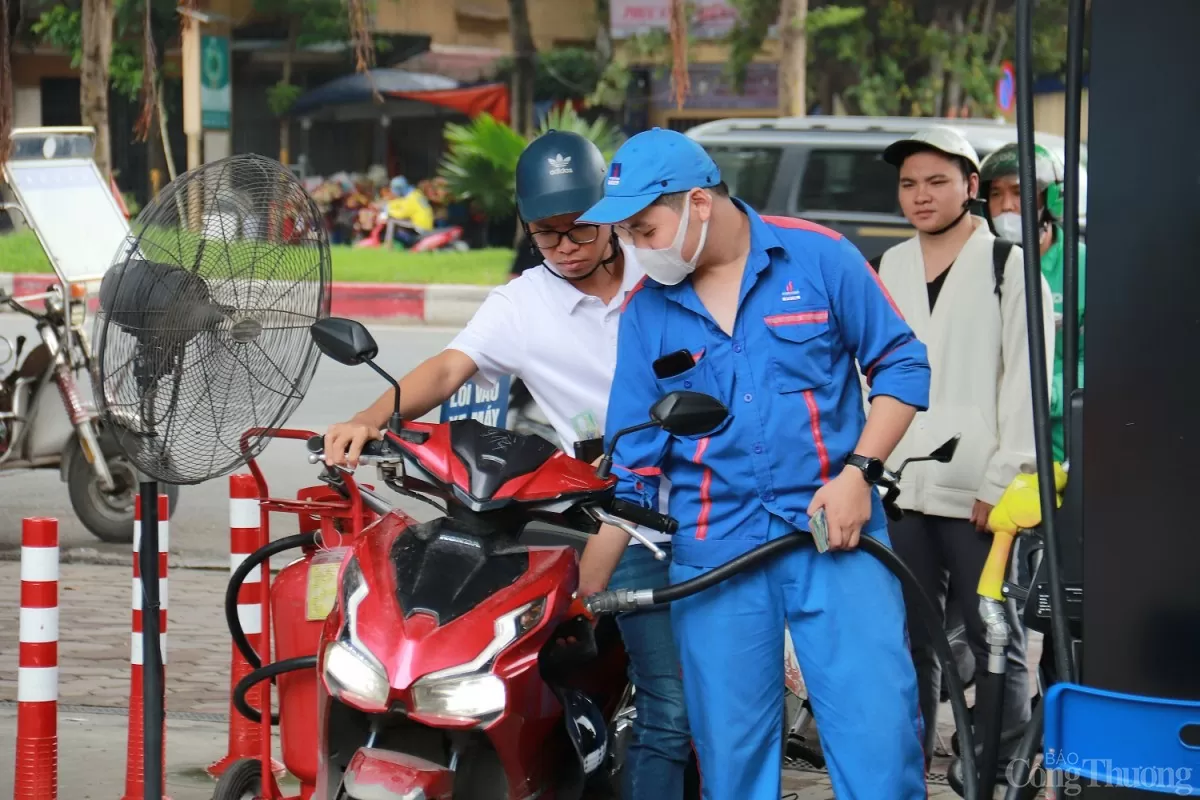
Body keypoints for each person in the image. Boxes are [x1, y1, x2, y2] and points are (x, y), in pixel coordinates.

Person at [322, 130, 694, 800]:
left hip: (706, 499)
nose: (566, 247)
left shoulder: (660, 272)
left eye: (579, 229)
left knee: (707, 700)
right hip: (620, 511)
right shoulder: (524, 303)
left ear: (610, 214)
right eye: (546, 234)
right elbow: (447, 368)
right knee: (664, 699)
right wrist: (367, 420)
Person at [577, 127, 933, 798]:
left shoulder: (819, 258)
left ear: (698, 204)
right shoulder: (646, 314)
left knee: (880, 743)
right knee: (732, 761)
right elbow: (632, 466)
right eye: (622, 234)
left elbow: (902, 363)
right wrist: (584, 593)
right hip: (717, 555)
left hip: (838, 536)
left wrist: (861, 472)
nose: (632, 248)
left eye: (643, 228)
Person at [872, 126, 1055, 769]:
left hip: (979, 487)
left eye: (937, 182)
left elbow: (1027, 380)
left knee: (991, 629)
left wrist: (1002, 479)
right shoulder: (890, 265)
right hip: (902, 483)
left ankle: (1003, 761)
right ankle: (907, 762)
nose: (921, 197)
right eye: (908, 185)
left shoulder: (1009, 264)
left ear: (970, 188)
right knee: (909, 634)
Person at [979, 142, 1086, 465]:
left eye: (1019, 192)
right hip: (987, 446)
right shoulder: (977, 264)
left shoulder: (1082, 267)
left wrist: (1045, 392)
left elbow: (1103, 363)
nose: (1007, 206)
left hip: (1055, 444)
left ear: (1050, 198)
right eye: (996, 195)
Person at [384, 176, 435, 245]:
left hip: (421, 227)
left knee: (392, 221)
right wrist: (389, 205)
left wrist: (389, 211)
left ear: (400, 189)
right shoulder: (415, 193)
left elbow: (401, 214)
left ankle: (388, 245)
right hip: (427, 225)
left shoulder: (411, 198)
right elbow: (400, 202)